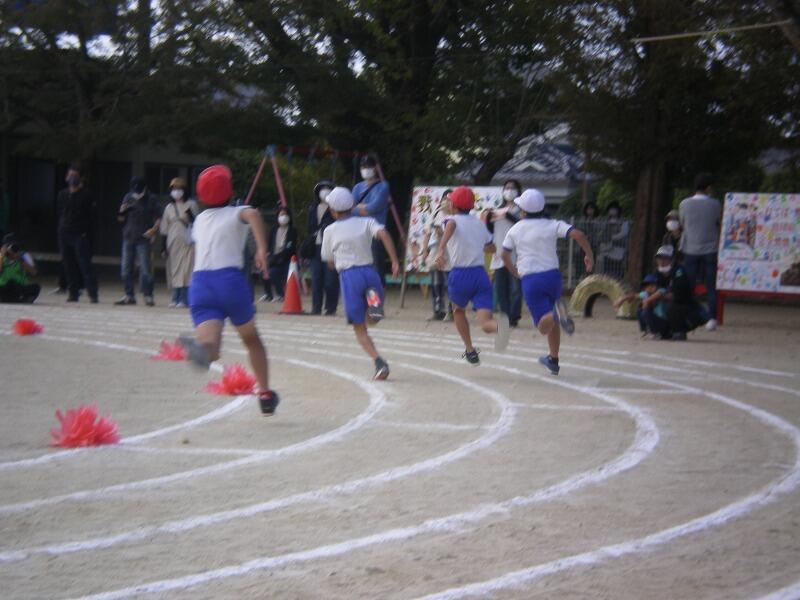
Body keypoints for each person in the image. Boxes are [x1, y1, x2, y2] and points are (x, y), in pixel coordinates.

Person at [178, 165, 280, 415]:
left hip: (200, 284)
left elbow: (196, 250)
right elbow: (254, 214)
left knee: (211, 347)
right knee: (251, 340)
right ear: (230, 191)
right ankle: (265, 394)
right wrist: (261, 250)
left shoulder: (199, 220)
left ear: (200, 196)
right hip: (229, 282)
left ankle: (203, 350)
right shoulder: (237, 212)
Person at [501, 189, 594, 376]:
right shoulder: (553, 224)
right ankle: (553, 359)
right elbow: (578, 234)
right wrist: (589, 255)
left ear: (523, 211)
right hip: (553, 277)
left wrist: (514, 271)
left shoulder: (516, 229)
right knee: (552, 320)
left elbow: (504, 254)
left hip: (531, 278)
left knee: (543, 326)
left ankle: (557, 314)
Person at [321, 186, 400, 380]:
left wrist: (337, 259)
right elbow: (384, 234)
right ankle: (373, 308)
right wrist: (395, 260)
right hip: (370, 272)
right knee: (372, 317)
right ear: (352, 206)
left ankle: (379, 363)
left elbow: (328, 260)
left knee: (359, 327)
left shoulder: (329, 230)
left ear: (332, 210)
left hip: (349, 276)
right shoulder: (367, 221)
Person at [434, 186, 510, 366]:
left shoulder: (450, 220)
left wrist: (441, 249)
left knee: (458, 310)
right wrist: (476, 245)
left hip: (460, 274)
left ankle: (469, 349)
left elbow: (451, 226)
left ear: (453, 205)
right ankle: (500, 327)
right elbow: (491, 247)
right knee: (485, 322)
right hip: (480, 275)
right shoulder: (479, 224)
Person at [679, 172, 721, 331]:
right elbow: (718, 222)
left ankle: (690, 314)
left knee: (689, 285)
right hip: (710, 248)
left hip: (690, 248)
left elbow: (682, 223)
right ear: (708, 188)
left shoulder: (684, 204)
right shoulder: (715, 204)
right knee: (711, 285)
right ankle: (712, 318)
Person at [56, 163, 98, 303]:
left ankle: (93, 293)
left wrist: (87, 234)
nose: (72, 178)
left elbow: (92, 217)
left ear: (80, 178)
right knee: (68, 265)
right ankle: (73, 293)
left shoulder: (87, 195)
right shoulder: (62, 194)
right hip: (64, 233)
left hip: (80, 234)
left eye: (74, 176)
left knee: (85, 265)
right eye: (70, 175)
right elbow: (60, 212)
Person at [115, 176, 161, 306]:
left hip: (144, 238)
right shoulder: (128, 197)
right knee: (126, 268)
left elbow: (159, 216)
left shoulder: (151, 199)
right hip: (128, 236)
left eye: (139, 190)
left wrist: (153, 230)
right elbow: (120, 219)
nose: (137, 193)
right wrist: (122, 211)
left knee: (146, 269)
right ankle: (129, 295)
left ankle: (148, 295)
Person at [487, 179, 522, 327]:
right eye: (507, 188)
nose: (509, 191)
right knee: (501, 288)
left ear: (518, 191)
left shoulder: (521, 210)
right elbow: (490, 230)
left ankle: (514, 316)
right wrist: (488, 218)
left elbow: (521, 224)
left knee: (515, 288)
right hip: (499, 253)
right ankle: (505, 316)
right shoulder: (498, 210)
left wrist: (507, 215)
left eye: (512, 188)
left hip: (516, 254)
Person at [160, 177, 199, 308]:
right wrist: (163, 247)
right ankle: (174, 297)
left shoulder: (191, 204)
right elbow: (164, 228)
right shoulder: (169, 207)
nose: (176, 191)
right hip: (173, 243)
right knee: (174, 269)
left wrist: (191, 216)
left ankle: (184, 299)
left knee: (187, 270)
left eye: (179, 189)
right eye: (174, 189)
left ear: (184, 190)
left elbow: (198, 224)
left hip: (188, 243)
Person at [351, 155, 390, 281]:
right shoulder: (357, 187)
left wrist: (359, 207)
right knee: (360, 266)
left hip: (376, 233)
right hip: (359, 232)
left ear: (375, 168)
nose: (366, 169)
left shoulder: (383, 186)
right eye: (363, 167)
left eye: (369, 166)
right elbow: (351, 209)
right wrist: (363, 208)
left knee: (377, 266)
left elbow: (375, 207)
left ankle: (378, 290)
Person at [307, 180, 339, 315]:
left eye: (327, 188)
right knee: (316, 278)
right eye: (322, 189)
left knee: (331, 279)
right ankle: (316, 307)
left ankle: (331, 308)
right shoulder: (312, 208)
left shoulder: (336, 209)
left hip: (331, 246)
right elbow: (309, 227)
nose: (325, 191)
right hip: (315, 247)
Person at [420, 189, 453, 321]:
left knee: (449, 284)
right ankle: (437, 310)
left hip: (451, 254)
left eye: (449, 199)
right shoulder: (436, 213)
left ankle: (451, 312)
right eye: (445, 199)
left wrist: (443, 233)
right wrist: (424, 251)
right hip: (435, 253)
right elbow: (427, 233)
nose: (446, 202)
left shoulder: (456, 216)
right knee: (436, 283)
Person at [614, 274, 670, 339]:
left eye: (652, 285)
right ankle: (645, 331)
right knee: (640, 311)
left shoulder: (661, 290)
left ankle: (655, 333)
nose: (649, 287)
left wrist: (647, 301)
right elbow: (634, 295)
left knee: (645, 312)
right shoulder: (646, 294)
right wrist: (622, 299)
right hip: (655, 321)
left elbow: (658, 295)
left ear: (657, 285)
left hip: (663, 322)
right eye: (647, 286)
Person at [261, 206, 297, 302]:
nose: (283, 217)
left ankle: (281, 294)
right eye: (281, 214)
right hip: (274, 258)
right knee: (265, 271)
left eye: (285, 214)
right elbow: (270, 244)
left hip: (287, 260)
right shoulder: (273, 230)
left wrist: (280, 256)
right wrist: (268, 255)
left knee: (275, 273)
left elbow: (290, 247)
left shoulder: (292, 231)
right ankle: (268, 294)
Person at [0, 233, 40, 303]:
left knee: (36, 287)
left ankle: (21, 299)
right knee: (9, 285)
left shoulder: (24, 256)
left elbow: (34, 272)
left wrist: (20, 259)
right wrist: (2, 256)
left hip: (18, 287)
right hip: (3, 286)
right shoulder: (1, 256)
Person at [595, 201, 629, 276]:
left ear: (618, 210)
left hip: (618, 249)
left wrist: (612, 237)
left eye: (614, 209)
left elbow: (624, 233)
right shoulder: (605, 222)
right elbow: (599, 231)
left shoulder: (623, 221)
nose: (612, 211)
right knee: (607, 271)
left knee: (617, 270)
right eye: (611, 209)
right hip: (606, 250)